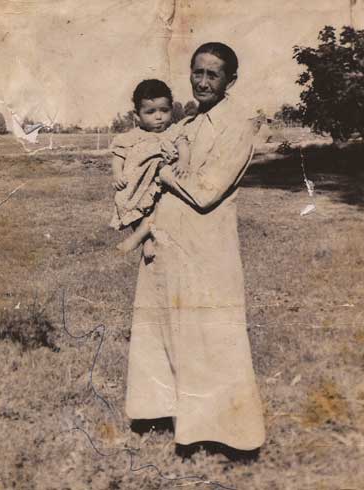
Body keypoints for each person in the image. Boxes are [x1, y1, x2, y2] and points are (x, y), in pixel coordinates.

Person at [125, 42, 266, 454]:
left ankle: (231, 436)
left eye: (213, 74)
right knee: (164, 328)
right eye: (197, 72)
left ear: (230, 81)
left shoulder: (237, 125)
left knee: (212, 336)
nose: (203, 82)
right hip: (168, 243)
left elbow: (206, 192)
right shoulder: (187, 122)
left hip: (207, 246)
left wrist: (164, 174)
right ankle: (161, 412)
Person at [110, 79, 190, 259]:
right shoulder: (132, 136)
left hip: (160, 186)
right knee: (128, 203)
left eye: (164, 110)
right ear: (137, 115)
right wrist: (117, 175)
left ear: (171, 109)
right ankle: (146, 240)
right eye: (150, 112)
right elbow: (118, 156)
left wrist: (183, 161)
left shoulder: (173, 131)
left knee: (158, 210)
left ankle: (137, 238)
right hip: (138, 184)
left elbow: (183, 145)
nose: (159, 117)